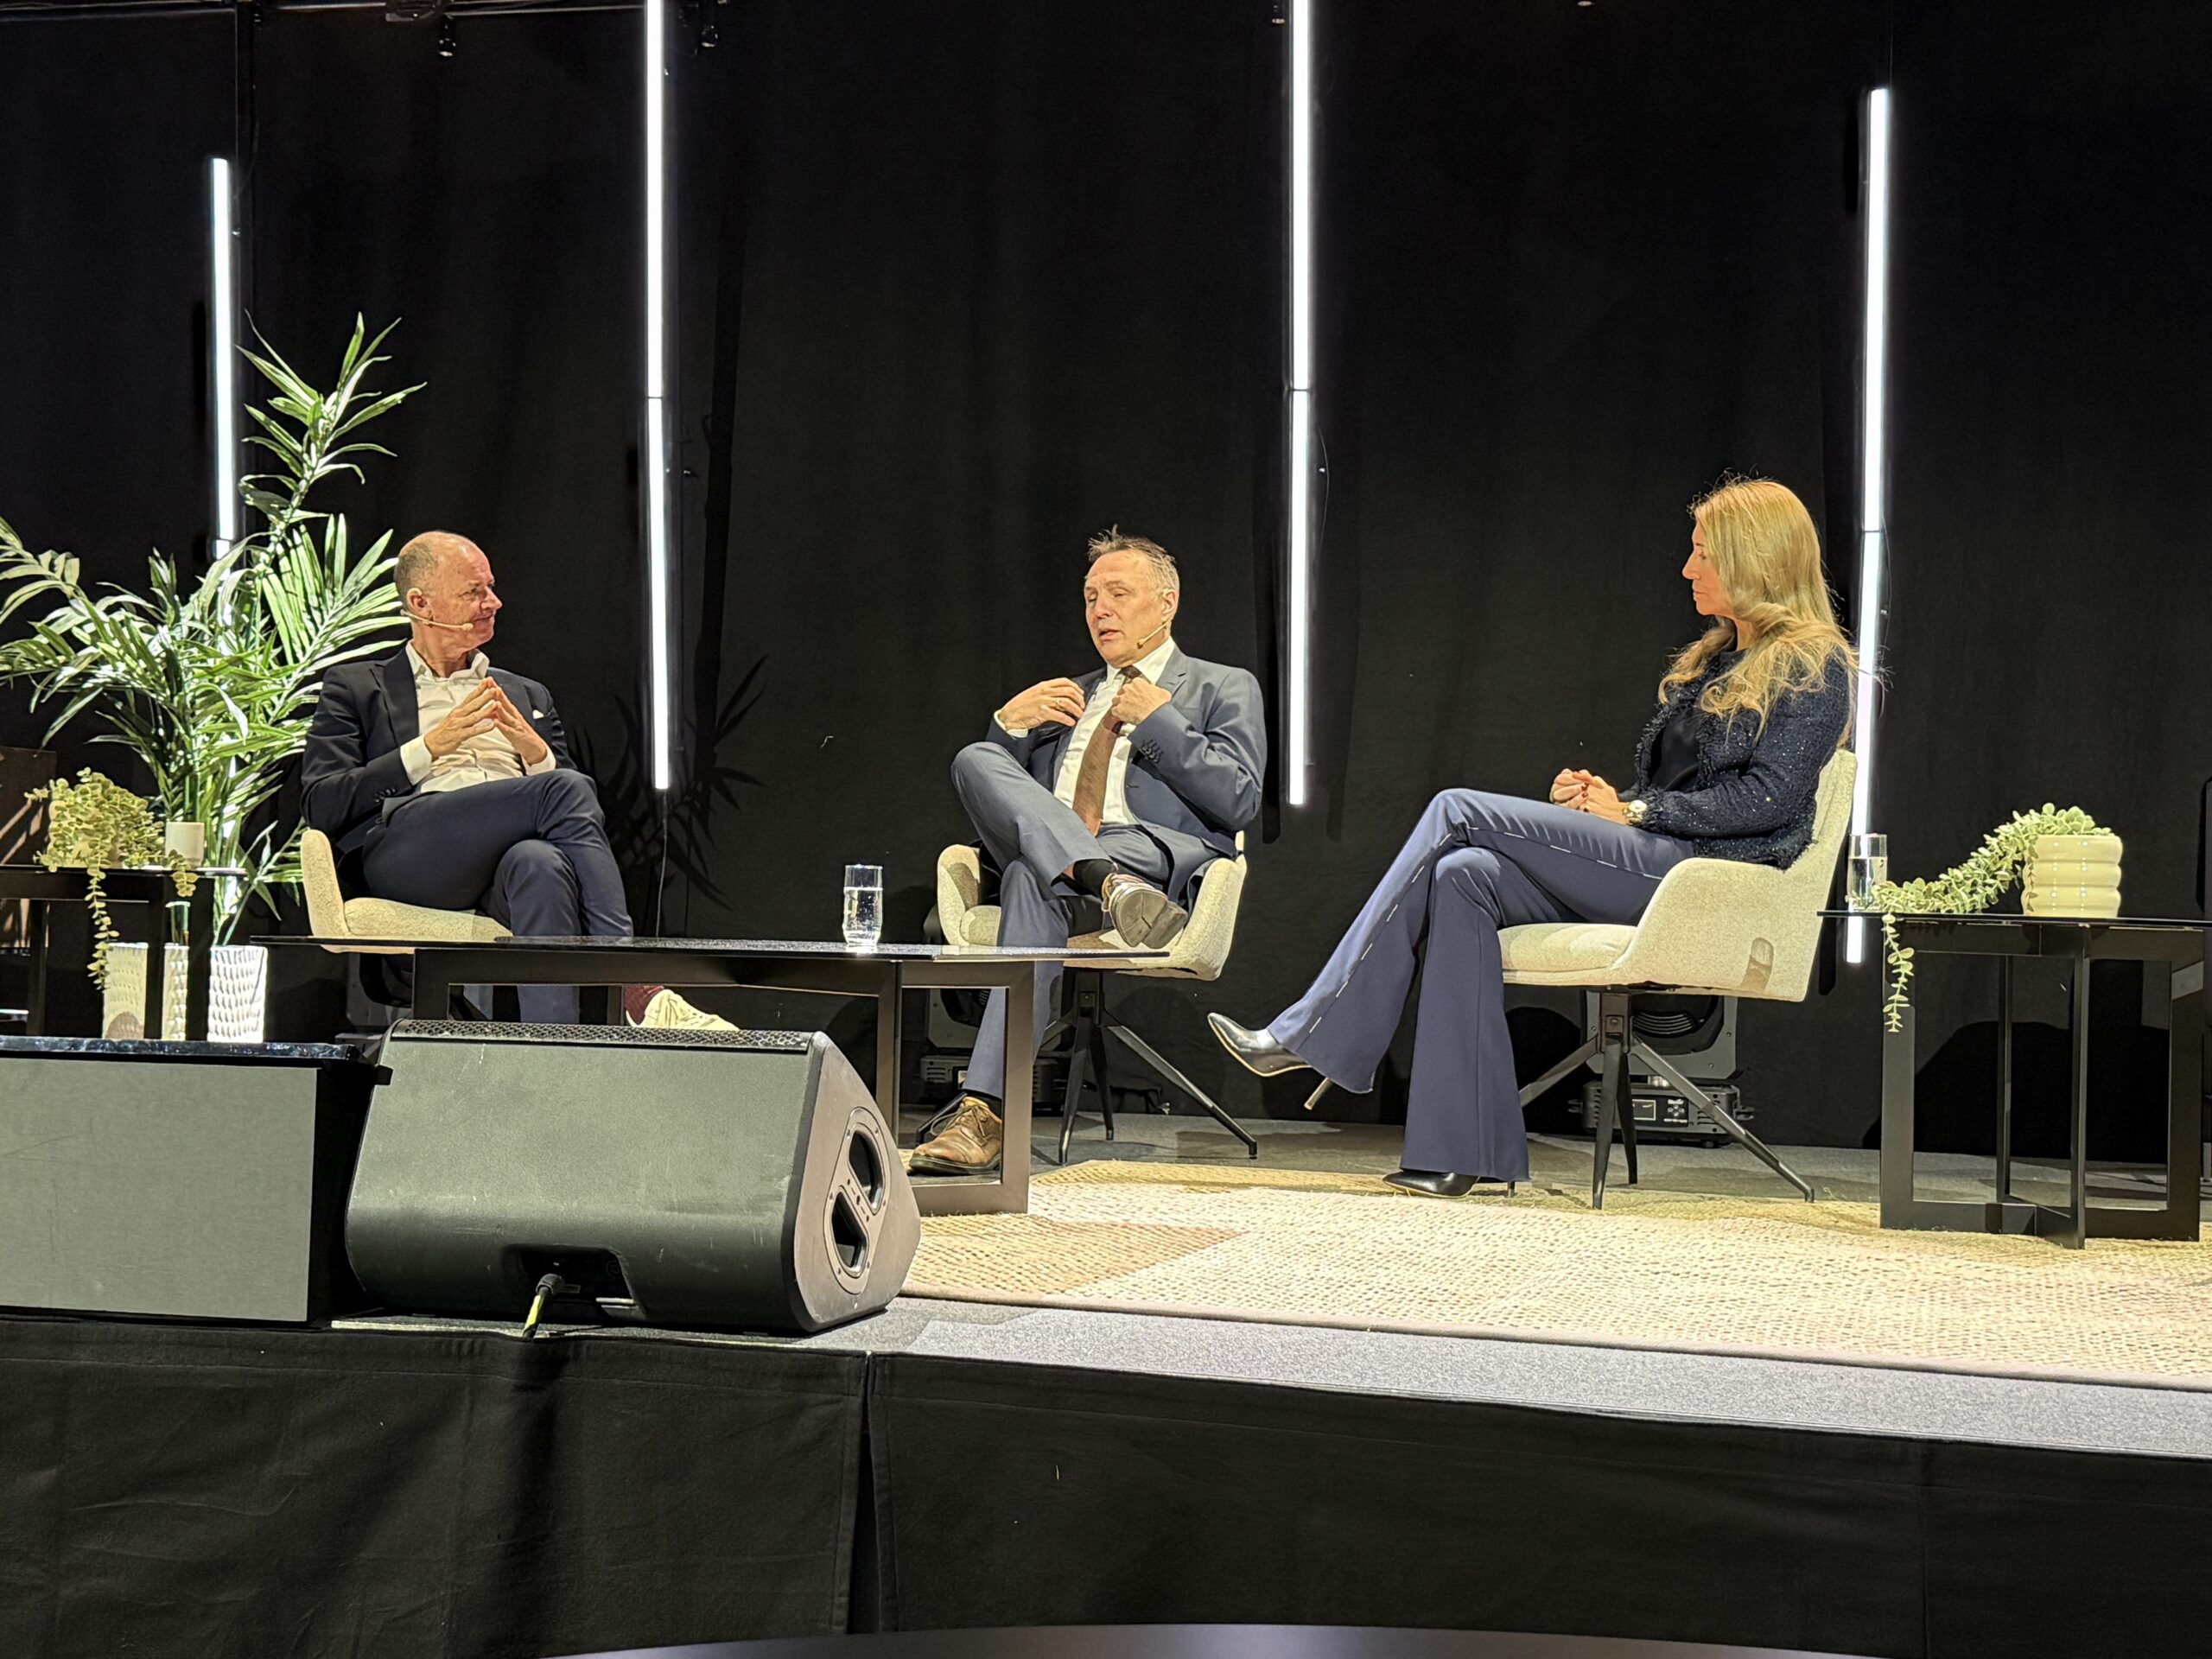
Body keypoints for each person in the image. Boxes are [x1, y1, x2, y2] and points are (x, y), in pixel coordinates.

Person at [1209, 478, 1854, 1196]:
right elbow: (1676, 792)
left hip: (1704, 879)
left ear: (1753, 558)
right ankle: (1461, 1153)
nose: (1687, 568)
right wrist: (1607, 802)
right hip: (1659, 856)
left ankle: (1315, 1028)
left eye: (1701, 552)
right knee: (1464, 876)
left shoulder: (1813, 667)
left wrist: (1638, 816)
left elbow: (1767, 800)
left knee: (1458, 809)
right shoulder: (1712, 659)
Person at [910, 529, 1268, 1176]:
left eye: (1118, 594)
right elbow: (1005, 796)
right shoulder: (1064, 696)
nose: (1099, 609)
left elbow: (1239, 801)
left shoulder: (1221, 686)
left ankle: (984, 1111)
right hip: (1090, 873)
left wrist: (1160, 720)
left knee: (1027, 877)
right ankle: (1105, 883)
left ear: (1166, 604)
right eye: (1090, 597)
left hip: (1146, 854)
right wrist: (1009, 726)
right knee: (975, 758)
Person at [300, 530, 728, 1029]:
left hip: (501, 863)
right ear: (420, 602)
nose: (493, 602)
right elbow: (321, 804)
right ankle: (633, 977)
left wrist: (535, 751)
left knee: (540, 864)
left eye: (491, 587)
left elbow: (579, 814)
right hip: (409, 854)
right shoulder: (357, 687)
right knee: (562, 788)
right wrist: (428, 748)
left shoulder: (525, 693)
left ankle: (551, 1050)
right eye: (473, 592)